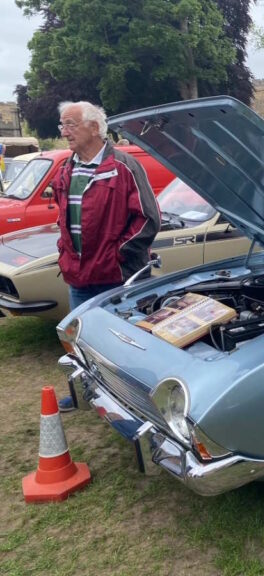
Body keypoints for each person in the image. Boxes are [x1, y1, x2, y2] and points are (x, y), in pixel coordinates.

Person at [53, 101, 161, 411]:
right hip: (78, 276)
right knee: (81, 338)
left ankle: (135, 402)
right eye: (62, 125)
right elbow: (65, 219)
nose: (64, 132)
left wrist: (117, 255)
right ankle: (89, 390)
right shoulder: (66, 169)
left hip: (118, 276)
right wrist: (65, 251)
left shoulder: (124, 166)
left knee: (127, 342)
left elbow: (148, 218)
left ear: (94, 127)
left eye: (70, 124)